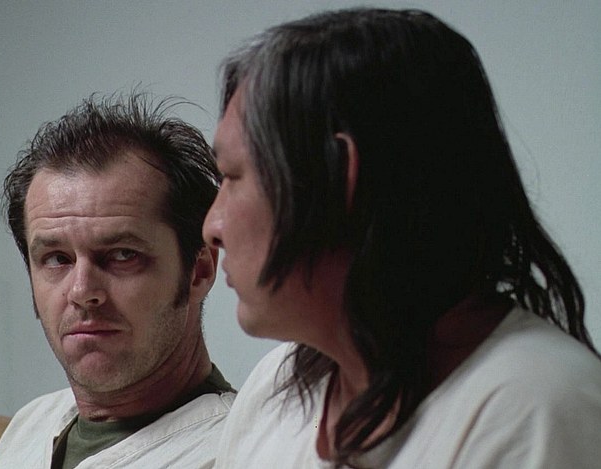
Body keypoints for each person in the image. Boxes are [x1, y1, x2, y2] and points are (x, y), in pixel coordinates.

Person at [203, 8, 601, 468]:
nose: (212, 228)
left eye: (233, 176)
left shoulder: (539, 411)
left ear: (337, 176)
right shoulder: (276, 386)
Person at [0, 92, 234, 468]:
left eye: (122, 255)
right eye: (57, 259)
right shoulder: (32, 424)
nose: (82, 291)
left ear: (199, 271)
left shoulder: (235, 452)